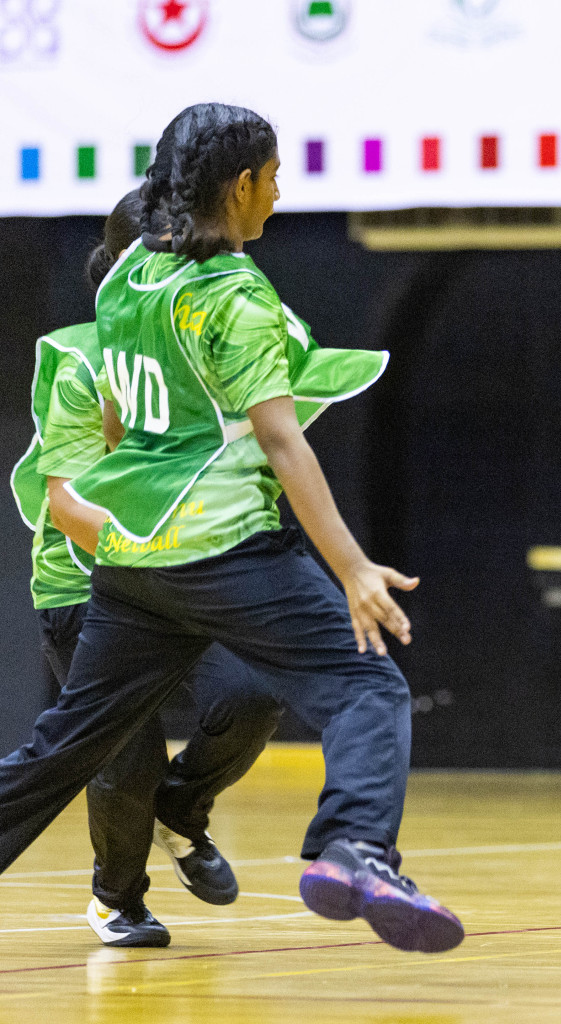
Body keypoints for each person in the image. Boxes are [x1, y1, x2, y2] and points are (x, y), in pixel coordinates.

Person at [0, 102, 462, 954]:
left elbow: (126, 416)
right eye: (275, 179)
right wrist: (354, 565)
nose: (279, 197)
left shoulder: (129, 278)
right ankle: (354, 850)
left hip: (134, 563)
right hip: (223, 543)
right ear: (241, 184)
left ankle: (201, 817)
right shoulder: (234, 294)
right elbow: (283, 440)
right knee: (368, 685)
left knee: (66, 744)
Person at [9, 191, 290, 947]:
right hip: (87, 583)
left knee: (255, 693)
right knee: (116, 759)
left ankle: (184, 808)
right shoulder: (79, 357)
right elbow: (70, 508)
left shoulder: (216, 343)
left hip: (187, 576)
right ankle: (117, 899)